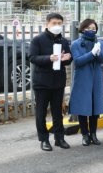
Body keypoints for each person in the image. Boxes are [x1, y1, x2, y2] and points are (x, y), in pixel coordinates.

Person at [29, 13, 73, 151]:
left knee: (57, 112)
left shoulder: (64, 41)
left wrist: (67, 58)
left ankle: (59, 138)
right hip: (42, 82)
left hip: (58, 82)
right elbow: (32, 57)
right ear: (47, 24)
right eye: (54, 23)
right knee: (41, 112)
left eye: (59, 23)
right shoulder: (38, 40)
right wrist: (49, 58)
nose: (57, 26)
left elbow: (69, 59)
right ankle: (44, 139)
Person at [70, 19, 103, 146]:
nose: (92, 30)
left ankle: (93, 134)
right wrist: (91, 54)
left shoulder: (99, 42)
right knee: (83, 107)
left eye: (94, 28)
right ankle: (85, 135)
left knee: (95, 108)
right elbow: (78, 61)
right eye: (89, 27)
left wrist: (98, 53)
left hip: (96, 77)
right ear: (83, 28)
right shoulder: (76, 44)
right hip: (82, 78)